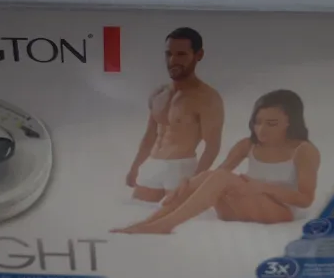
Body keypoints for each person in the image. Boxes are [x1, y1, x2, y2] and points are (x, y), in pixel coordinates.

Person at [113, 89, 320, 234]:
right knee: (211, 176)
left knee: (221, 177)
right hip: (241, 206)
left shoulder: (303, 151)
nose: (261, 129)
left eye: (271, 123)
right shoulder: (247, 145)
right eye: (257, 122)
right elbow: (217, 175)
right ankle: (149, 222)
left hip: (280, 211)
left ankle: (166, 225)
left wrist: (261, 187)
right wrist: (188, 183)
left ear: (290, 122)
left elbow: (305, 199)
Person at [126, 27, 224, 203]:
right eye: (168, 54)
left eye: (181, 54)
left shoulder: (207, 98)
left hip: (181, 168)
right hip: (153, 165)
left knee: (174, 217)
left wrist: (194, 181)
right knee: (137, 211)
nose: (173, 60)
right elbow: (150, 136)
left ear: (198, 55)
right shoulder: (159, 93)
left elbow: (212, 146)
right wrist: (135, 167)